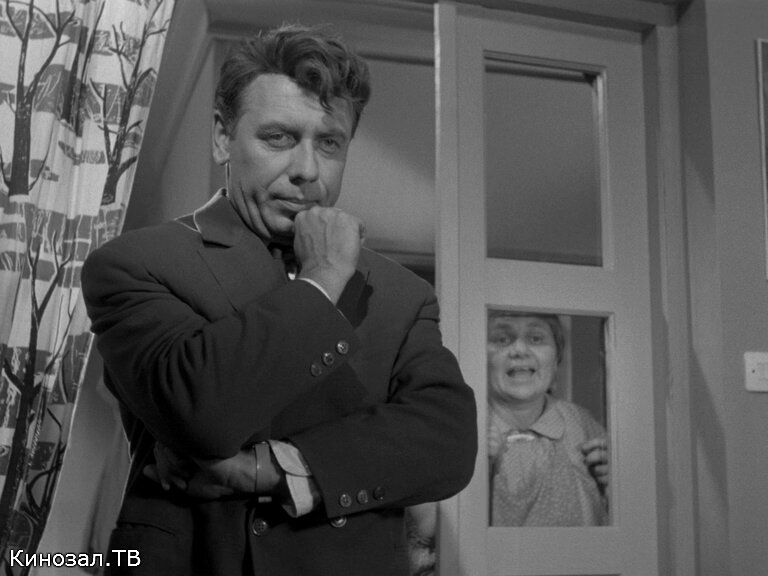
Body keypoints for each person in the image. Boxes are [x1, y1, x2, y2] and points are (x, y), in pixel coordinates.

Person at [81, 24, 477, 576]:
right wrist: (323, 280)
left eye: (329, 143)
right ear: (223, 136)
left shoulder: (404, 294)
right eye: (279, 138)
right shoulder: (133, 264)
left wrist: (265, 468)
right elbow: (205, 411)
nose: (307, 170)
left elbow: (447, 443)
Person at [486, 311, 608, 527]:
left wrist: (618, 487)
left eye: (535, 338)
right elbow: (431, 529)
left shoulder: (582, 424)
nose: (519, 350)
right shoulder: (459, 425)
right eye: (502, 339)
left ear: (556, 358)